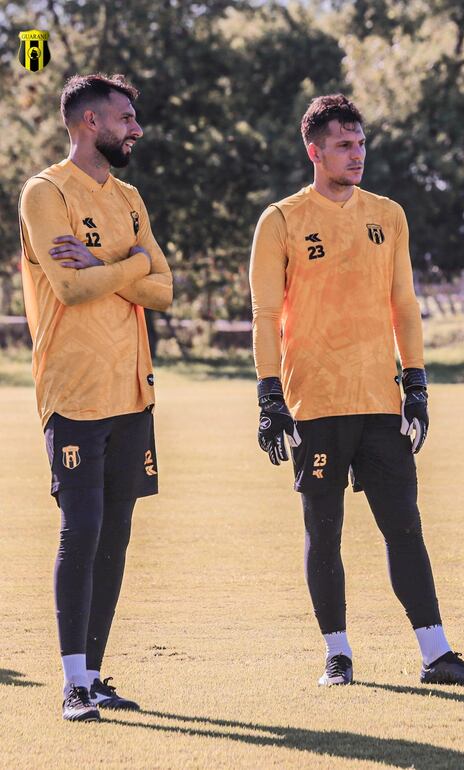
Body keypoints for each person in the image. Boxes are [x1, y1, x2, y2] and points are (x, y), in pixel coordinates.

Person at [249, 94, 464, 688]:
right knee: (324, 531)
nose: (356, 155)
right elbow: (264, 314)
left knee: (404, 527)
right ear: (315, 151)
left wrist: (417, 383)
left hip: (382, 402)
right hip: (316, 404)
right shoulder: (280, 220)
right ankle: (338, 652)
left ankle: (436, 654)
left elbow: (404, 306)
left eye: (360, 144)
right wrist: (269, 397)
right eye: (343, 145)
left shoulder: (389, 213)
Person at [19, 73, 173, 721]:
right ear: (88, 122)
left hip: (131, 392)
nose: (136, 128)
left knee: (115, 535)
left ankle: (94, 674)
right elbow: (72, 289)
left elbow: (165, 289)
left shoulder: (131, 196)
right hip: (74, 391)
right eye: (125, 117)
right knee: (80, 531)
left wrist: (123, 265)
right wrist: (136, 263)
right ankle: (72, 685)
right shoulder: (45, 192)